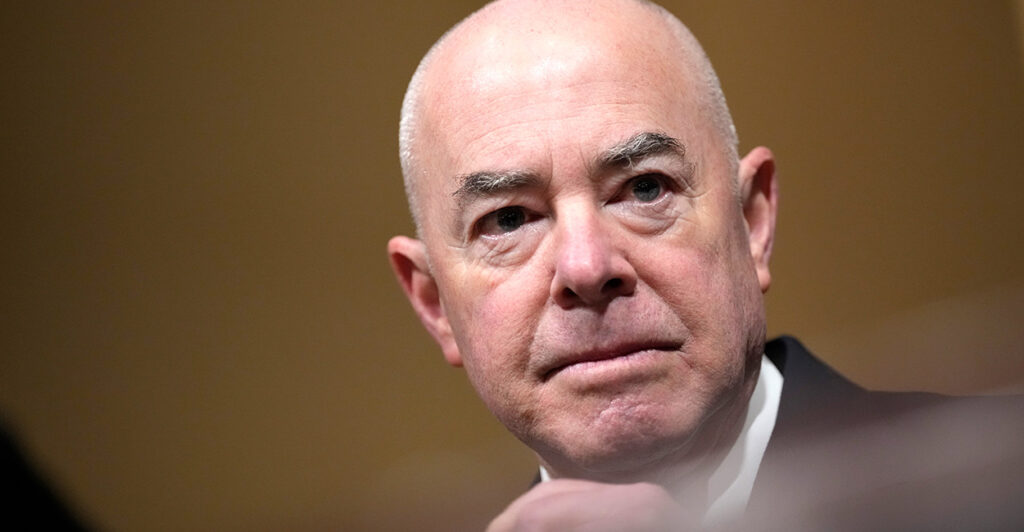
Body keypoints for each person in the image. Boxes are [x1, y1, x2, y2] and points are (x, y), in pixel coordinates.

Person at [386, 0, 1023, 529]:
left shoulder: (997, 482)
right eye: (507, 221)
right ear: (434, 305)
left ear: (752, 223)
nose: (586, 267)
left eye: (645, 189)